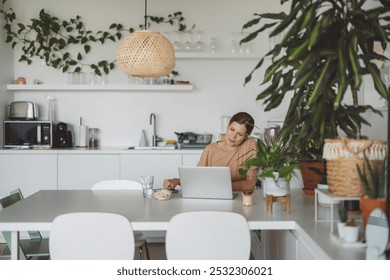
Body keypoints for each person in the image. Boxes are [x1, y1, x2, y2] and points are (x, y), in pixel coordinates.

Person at [163, 112, 258, 193]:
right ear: (228, 126)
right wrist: (176, 181)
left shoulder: (250, 146)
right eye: (232, 129)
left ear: (246, 137)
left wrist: (218, 186)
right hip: (213, 196)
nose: (233, 136)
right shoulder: (210, 149)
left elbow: (250, 184)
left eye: (240, 134)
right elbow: (197, 179)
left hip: (241, 200)